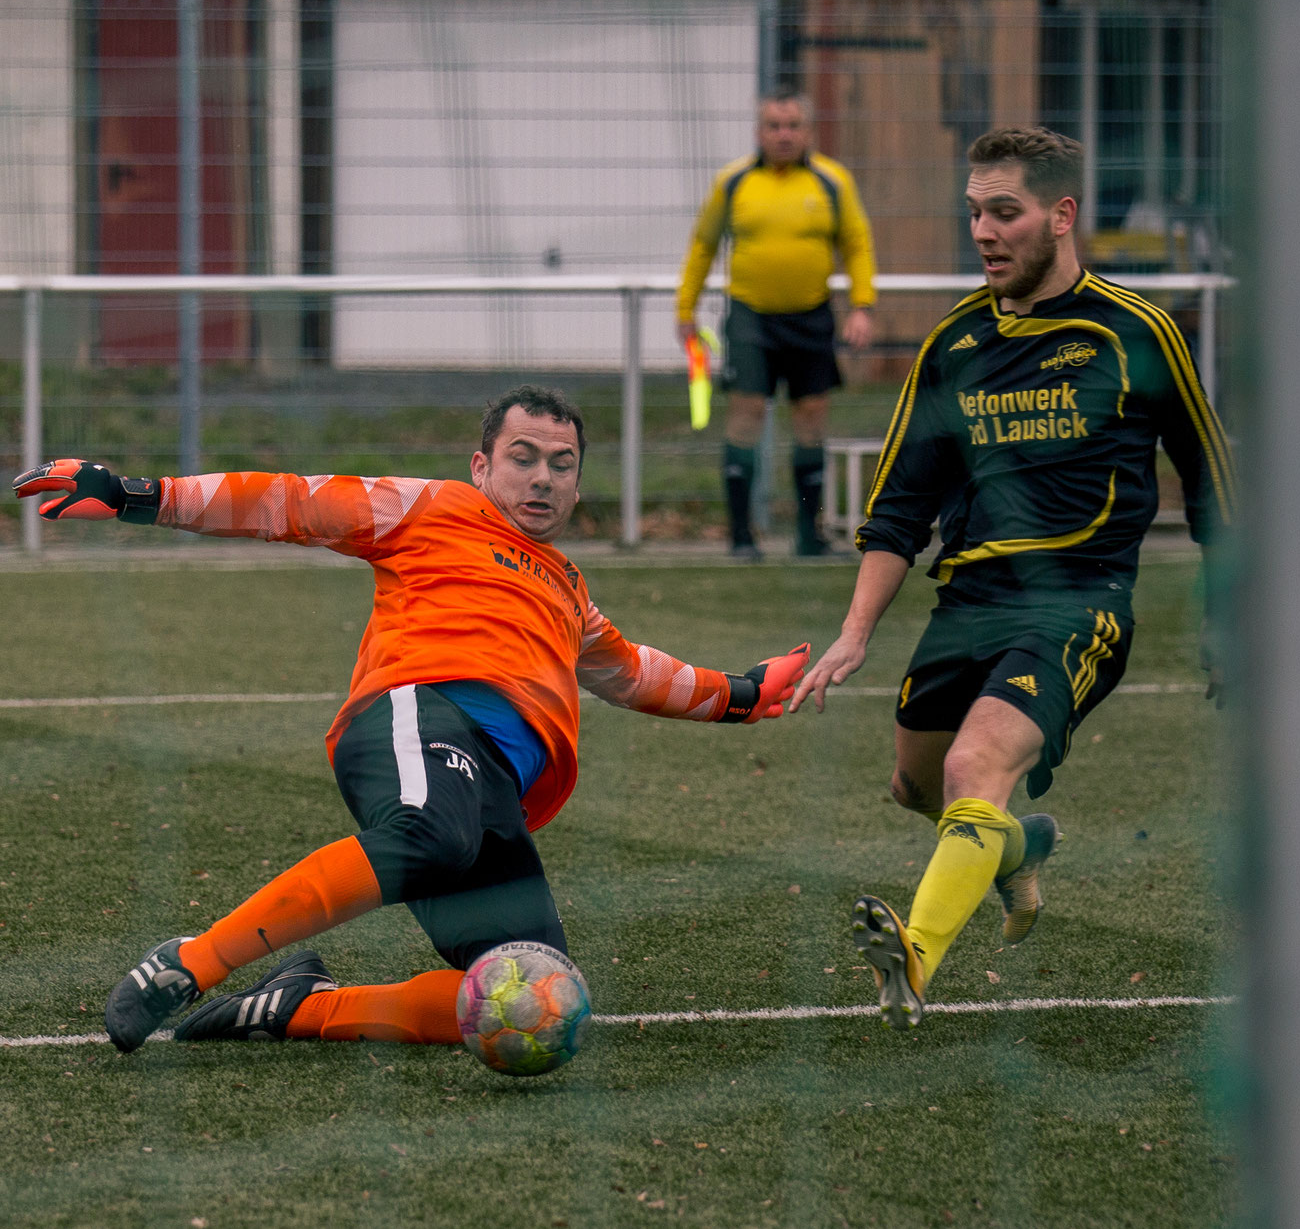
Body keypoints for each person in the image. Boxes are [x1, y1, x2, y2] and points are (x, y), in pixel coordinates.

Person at [11, 384, 809, 1052]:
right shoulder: (434, 508)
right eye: (523, 458)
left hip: (491, 792)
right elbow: (292, 502)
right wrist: (137, 496)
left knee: (540, 989)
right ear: (481, 465)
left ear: (578, 483)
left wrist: (743, 692)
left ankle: (298, 1007)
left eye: (561, 466)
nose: (542, 479)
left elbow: (633, 671)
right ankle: (192, 961)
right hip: (418, 712)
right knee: (432, 832)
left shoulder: (568, 587)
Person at [788, 125, 1235, 1029]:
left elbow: (1215, 483)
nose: (984, 232)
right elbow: (898, 509)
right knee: (918, 786)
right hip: (969, 602)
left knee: (974, 762)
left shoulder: (1137, 333)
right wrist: (856, 631)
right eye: (974, 213)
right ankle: (1018, 847)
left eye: (1005, 212)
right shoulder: (952, 346)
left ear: (1061, 215)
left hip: (1079, 602)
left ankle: (914, 954)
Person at [678, 91, 879, 560]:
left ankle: (810, 536)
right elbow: (703, 245)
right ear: (759, 131)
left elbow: (857, 244)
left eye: (793, 125)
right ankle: (742, 538)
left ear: (808, 131)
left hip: (811, 317)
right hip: (750, 318)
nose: (783, 134)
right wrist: (685, 309)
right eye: (774, 125)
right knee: (745, 418)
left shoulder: (832, 181)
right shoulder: (734, 183)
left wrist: (862, 306)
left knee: (811, 421)